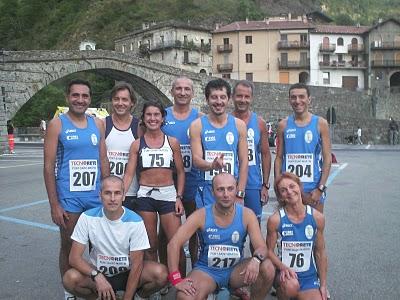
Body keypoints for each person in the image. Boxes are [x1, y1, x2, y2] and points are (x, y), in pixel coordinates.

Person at [43, 79, 109, 299]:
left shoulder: (98, 124)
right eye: (75, 95)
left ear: (90, 99)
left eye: (84, 96)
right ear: (67, 97)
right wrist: (54, 204)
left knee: (98, 245)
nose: (80, 100)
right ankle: (68, 288)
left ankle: (97, 283)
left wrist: (109, 191)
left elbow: (103, 159)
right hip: (69, 197)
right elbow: (48, 166)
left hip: (94, 195)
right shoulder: (57, 125)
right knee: (69, 244)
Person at [167, 173, 275, 300]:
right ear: (212, 192)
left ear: (236, 190)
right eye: (220, 189)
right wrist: (176, 279)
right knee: (185, 297)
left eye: (230, 189)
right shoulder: (201, 215)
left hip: (236, 271)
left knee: (267, 268)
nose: (226, 194)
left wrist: (256, 260)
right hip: (207, 271)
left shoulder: (247, 215)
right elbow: (173, 244)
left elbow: (261, 247)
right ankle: (214, 291)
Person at [63, 175, 168, 300]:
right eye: (108, 193)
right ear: (100, 195)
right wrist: (96, 275)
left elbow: (137, 266)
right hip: (99, 273)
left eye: (117, 193)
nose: (112, 198)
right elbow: (74, 258)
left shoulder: (135, 221)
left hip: (127, 274)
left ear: (123, 196)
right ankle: (101, 297)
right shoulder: (87, 217)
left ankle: (138, 296)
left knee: (161, 274)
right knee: (69, 279)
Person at [123, 101, 186, 273]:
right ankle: (158, 284)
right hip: (145, 196)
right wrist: (120, 193)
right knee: (150, 246)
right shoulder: (137, 144)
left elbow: (180, 172)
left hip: (168, 195)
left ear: (162, 117)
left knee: (176, 244)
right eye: (149, 115)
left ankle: (180, 282)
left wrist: (179, 197)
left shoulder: (172, 142)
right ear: (143, 118)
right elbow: (129, 173)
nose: (153, 118)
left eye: (156, 115)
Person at [266, 172, 328, 300]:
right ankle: (283, 293)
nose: (289, 191)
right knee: (291, 286)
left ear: (300, 187)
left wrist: (323, 285)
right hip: (285, 275)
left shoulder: (317, 218)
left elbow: (320, 253)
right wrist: (283, 267)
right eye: (283, 190)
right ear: (280, 196)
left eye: (292, 186)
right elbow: (269, 252)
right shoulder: (275, 220)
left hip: (308, 277)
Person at [162, 76, 202, 265]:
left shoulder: (199, 118)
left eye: (187, 89)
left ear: (193, 93)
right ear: (172, 91)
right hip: (168, 184)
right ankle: (169, 274)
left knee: (195, 230)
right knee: (166, 231)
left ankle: (196, 269)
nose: (183, 92)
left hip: (194, 181)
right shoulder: (163, 116)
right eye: (178, 88)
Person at [190, 79, 248, 208]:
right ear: (207, 99)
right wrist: (212, 165)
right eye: (214, 97)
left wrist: (240, 193)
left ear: (228, 100)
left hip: (231, 189)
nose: (218, 102)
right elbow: (196, 160)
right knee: (207, 227)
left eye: (222, 97)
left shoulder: (239, 125)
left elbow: (244, 161)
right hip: (207, 189)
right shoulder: (197, 125)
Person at [274, 83, 331, 213]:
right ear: (289, 100)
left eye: (301, 97)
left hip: (313, 191)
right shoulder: (283, 125)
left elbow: (327, 158)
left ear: (309, 99)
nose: (297, 101)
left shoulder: (321, 124)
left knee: (315, 229)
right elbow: (278, 158)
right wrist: (278, 187)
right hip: (288, 191)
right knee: (289, 231)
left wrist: (320, 188)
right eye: (293, 97)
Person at [231, 80, 271, 223]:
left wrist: (265, 185)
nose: (243, 100)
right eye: (239, 96)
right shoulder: (225, 121)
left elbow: (265, 154)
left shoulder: (259, 123)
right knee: (231, 228)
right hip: (229, 184)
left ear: (251, 98)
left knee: (254, 229)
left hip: (253, 184)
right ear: (232, 96)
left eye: (246, 97)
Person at [103, 82, 141, 210]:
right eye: (116, 99)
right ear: (111, 101)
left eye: (125, 99)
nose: (120, 103)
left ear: (132, 103)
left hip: (131, 192)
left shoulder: (139, 127)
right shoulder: (103, 124)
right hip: (108, 193)